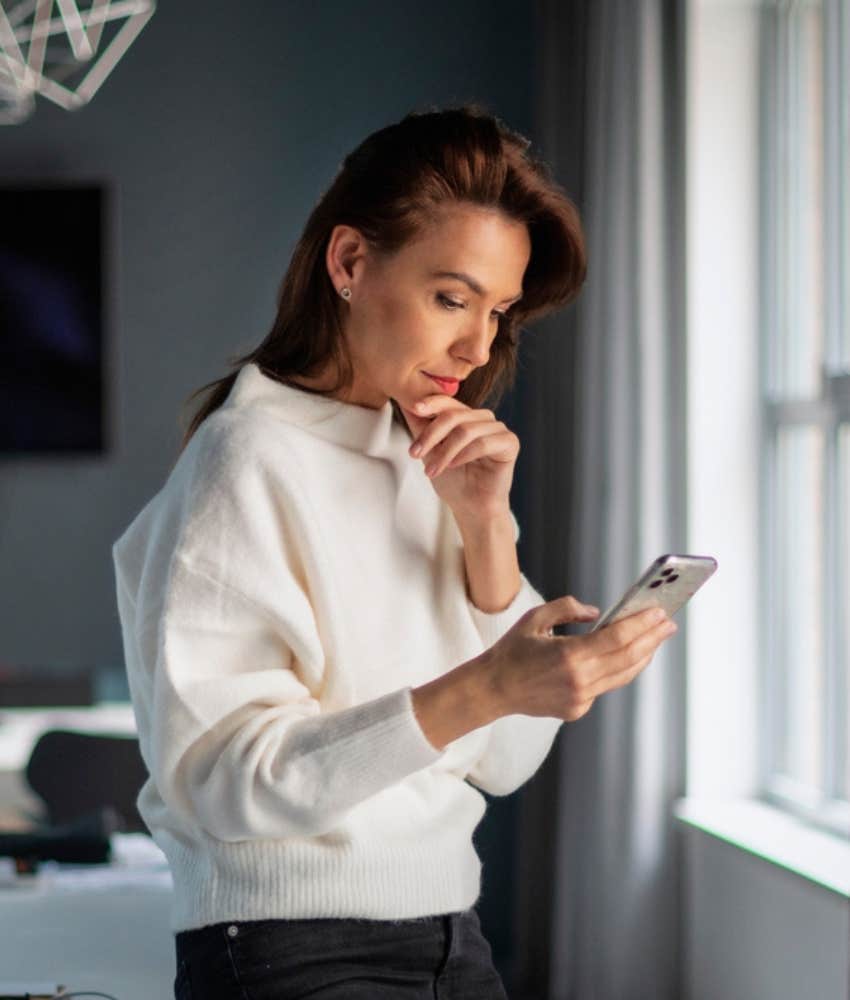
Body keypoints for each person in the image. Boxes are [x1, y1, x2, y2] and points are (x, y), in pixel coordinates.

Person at [111, 103, 678, 1000]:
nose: (477, 345)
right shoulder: (245, 460)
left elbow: (502, 763)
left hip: (453, 941)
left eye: (498, 311)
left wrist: (487, 527)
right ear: (349, 262)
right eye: (451, 298)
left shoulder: (430, 465)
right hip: (290, 954)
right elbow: (224, 782)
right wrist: (490, 683)